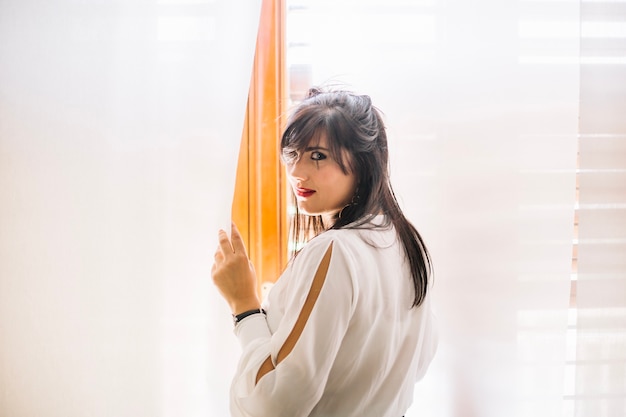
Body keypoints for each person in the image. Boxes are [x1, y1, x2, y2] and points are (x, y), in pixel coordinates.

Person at [212, 88, 437, 417]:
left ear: (362, 161)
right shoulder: (406, 241)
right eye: (293, 153)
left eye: (318, 156)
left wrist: (244, 306)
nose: (297, 172)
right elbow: (417, 361)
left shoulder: (336, 251)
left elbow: (275, 403)